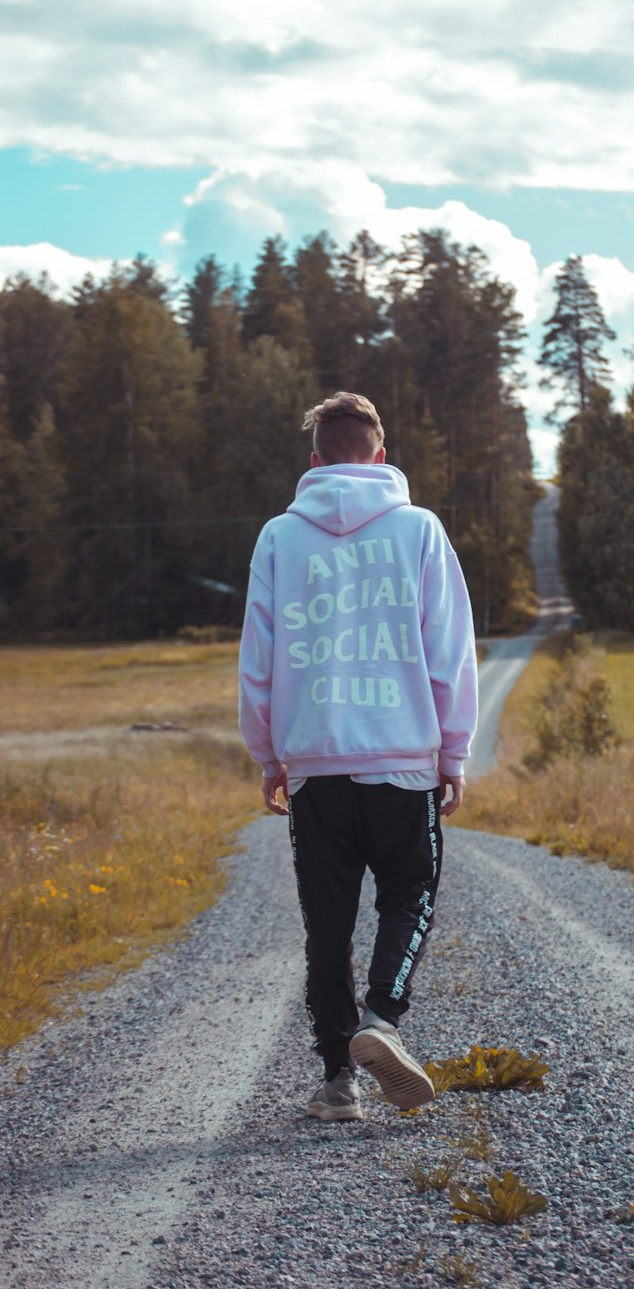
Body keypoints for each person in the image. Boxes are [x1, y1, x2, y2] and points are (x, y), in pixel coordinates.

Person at [238, 392, 478, 1121]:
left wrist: (269, 756)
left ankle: (338, 1083)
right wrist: (455, 752)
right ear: (381, 457)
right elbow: (450, 650)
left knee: (329, 922)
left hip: (315, 760)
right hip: (402, 757)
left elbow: (259, 658)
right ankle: (382, 1020)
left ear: (315, 464)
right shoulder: (421, 529)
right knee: (412, 891)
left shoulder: (280, 536)